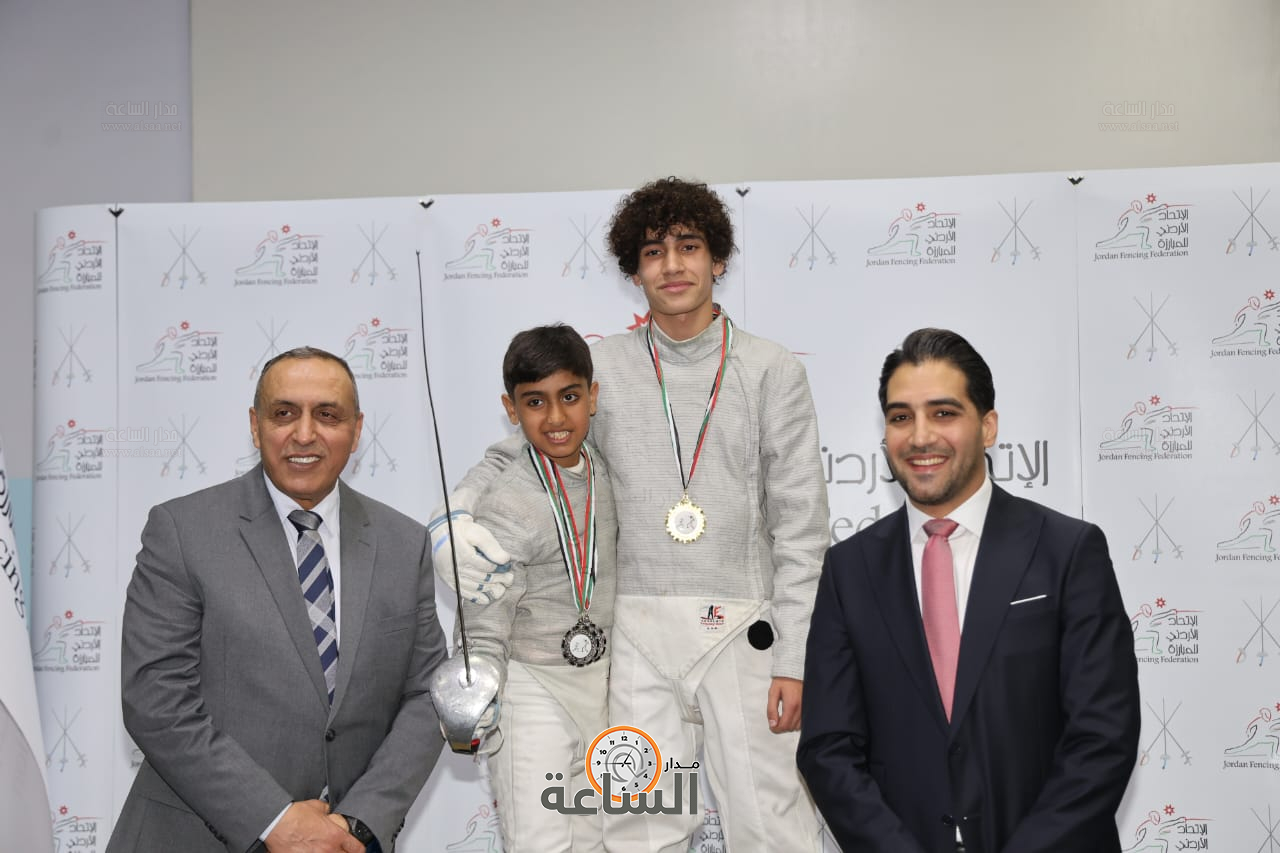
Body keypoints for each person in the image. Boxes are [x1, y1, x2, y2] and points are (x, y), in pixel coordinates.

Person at [434, 177, 829, 852]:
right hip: (636, 638)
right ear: (633, 269)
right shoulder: (602, 369)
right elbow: (519, 450)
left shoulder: (771, 370)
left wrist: (794, 658)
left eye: (689, 246)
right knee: (643, 827)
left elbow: (802, 527)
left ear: (718, 259)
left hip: (744, 630)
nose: (672, 265)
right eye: (653, 251)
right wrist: (454, 518)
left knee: (771, 825)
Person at [797, 328, 1140, 853]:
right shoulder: (849, 570)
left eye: (943, 413)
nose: (920, 437)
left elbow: (1103, 736)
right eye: (900, 417)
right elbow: (828, 748)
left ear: (988, 426)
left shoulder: (1068, 551)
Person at [108, 346, 448, 853]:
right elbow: (155, 699)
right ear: (255, 425)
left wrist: (359, 822)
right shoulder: (182, 530)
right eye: (284, 413)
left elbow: (427, 694)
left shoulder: (404, 542)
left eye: (327, 415)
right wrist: (274, 820)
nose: (304, 434)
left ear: (357, 430)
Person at [455, 324, 617, 852]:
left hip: (603, 687)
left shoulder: (610, 470)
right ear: (511, 408)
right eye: (534, 402)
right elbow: (483, 617)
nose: (555, 418)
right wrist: (477, 685)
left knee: (595, 841)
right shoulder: (506, 501)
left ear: (592, 397)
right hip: (531, 690)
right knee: (539, 842)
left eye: (569, 397)